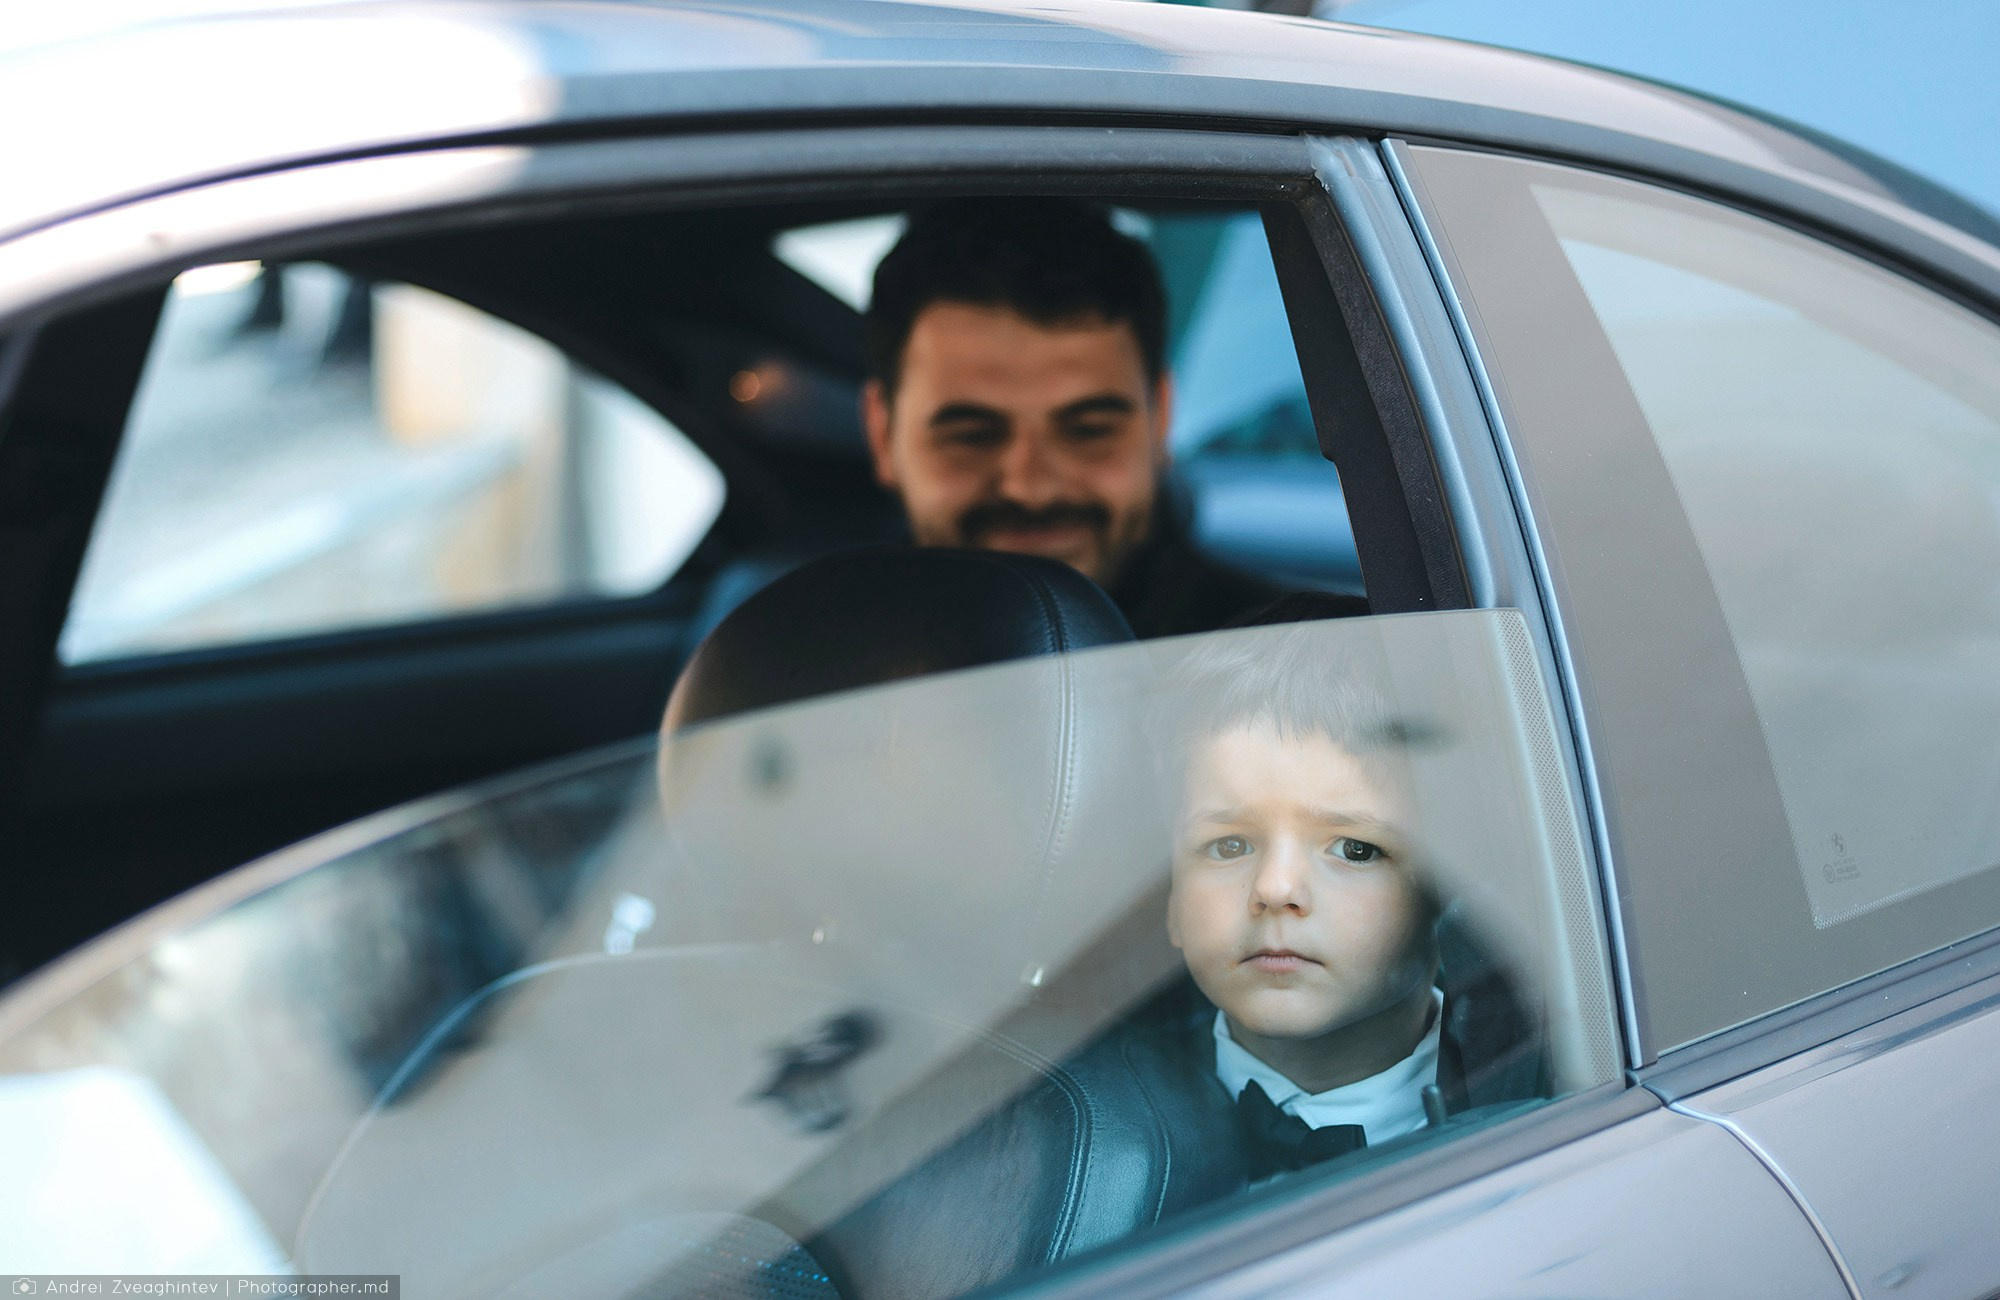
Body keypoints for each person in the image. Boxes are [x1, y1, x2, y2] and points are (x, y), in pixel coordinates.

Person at [861, 197, 1365, 638]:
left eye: (1089, 431)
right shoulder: (807, 666)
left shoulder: (1285, 669)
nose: (1031, 487)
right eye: (972, 436)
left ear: (1161, 417)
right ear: (883, 434)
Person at [1152, 610, 1538, 1182]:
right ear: (1171, 899)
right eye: (1229, 844)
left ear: (1448, 893)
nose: (1276, 888)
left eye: (1355, 849)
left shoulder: (1544, 1087)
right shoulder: (1091, 1131)